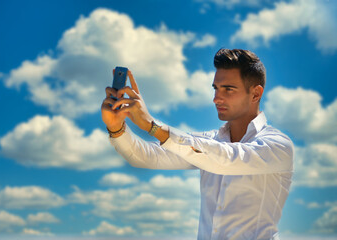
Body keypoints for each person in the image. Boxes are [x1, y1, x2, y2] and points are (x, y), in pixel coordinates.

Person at [101, 48, 293, 240]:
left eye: (228, 89)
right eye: (216, 89)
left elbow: (226, 160)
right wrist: (117, 128)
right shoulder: (208, 142)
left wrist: (152, 125)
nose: (216, 98)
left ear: (255, 94)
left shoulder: (278, 146)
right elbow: (147, 157)